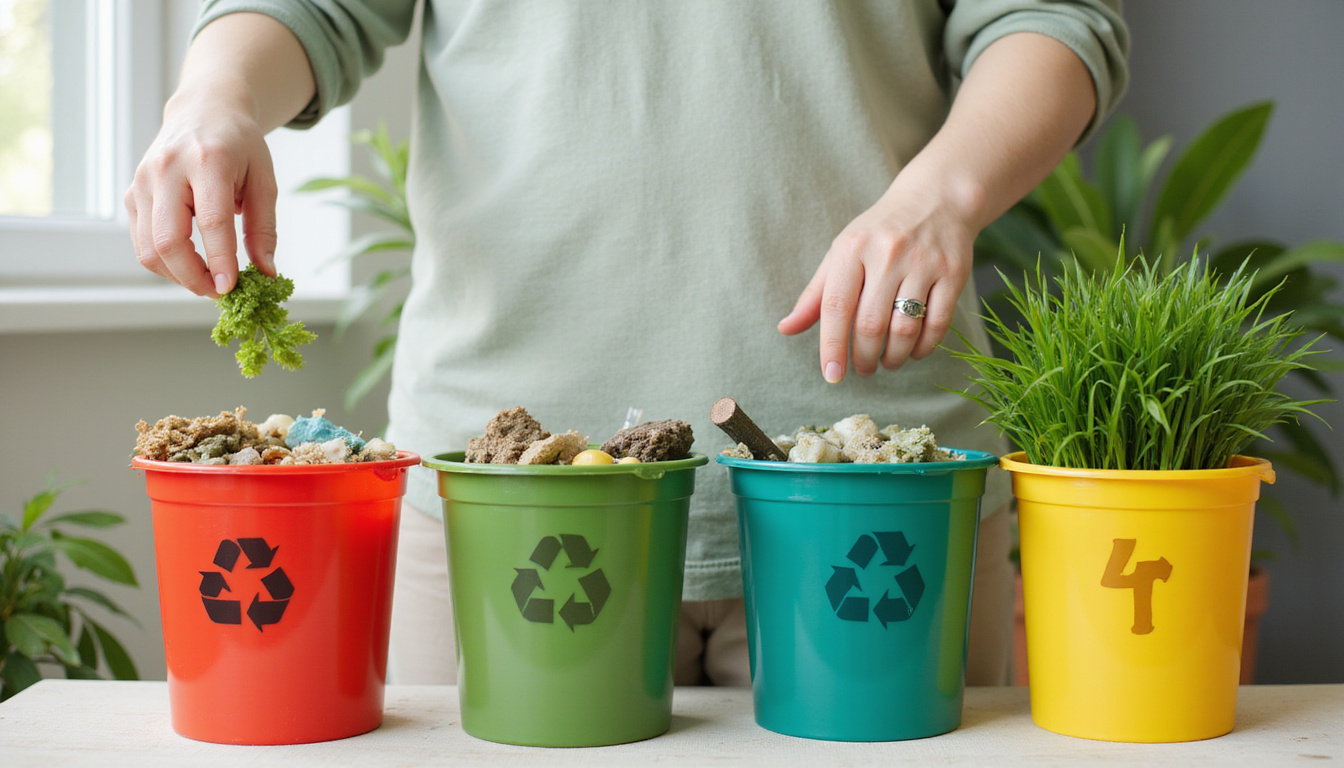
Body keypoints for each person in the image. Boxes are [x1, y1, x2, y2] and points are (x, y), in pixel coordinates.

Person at [127, 1, 1128, 686]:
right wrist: (212, 98)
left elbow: (1050, 18)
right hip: (498, 492)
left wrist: (939, 194)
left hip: (872, 484)